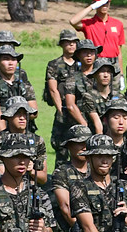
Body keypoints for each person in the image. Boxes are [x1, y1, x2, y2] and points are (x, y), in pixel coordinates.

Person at [45, 29, 81, 164]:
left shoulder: (82, 63)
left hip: (80, 110)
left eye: (74, 42)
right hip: (63, 109)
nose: (71, 45)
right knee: (61, 147)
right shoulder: (54, 64)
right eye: (68, 42)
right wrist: (60, 110)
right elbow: (53, 89)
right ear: (61, 45)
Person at [0, 45, 37, 127]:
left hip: (23, 128)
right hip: (1, 127)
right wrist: (4, 136)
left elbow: (34, 112)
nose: (11, 63)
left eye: (14, 59)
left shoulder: (22, 81)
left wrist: (18, 119)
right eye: (6, 59)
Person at [70, 0, 125, 69]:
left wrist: (121, 74)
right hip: (96, 63)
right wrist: (91, 7)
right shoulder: (89, 24)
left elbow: (119, 51)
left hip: (114, 64)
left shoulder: (118, 24)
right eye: (101, 3)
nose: (104, 5)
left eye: (106, 2)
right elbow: (73, 21)